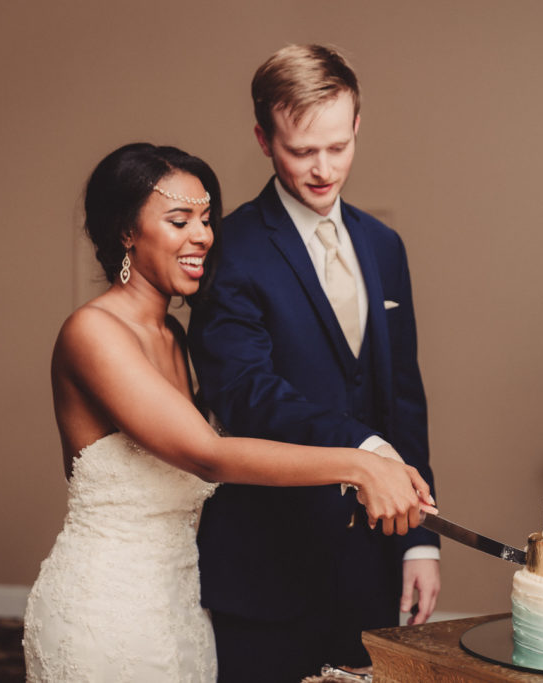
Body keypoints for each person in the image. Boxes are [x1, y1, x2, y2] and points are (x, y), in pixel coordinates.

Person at [22, 143, 433, 682]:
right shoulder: (93, 333)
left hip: (182, 609)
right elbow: (208, 455)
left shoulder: (172, 332)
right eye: (179, 219)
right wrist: (360, 464)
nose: (202, 236)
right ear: (126, 231)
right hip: (107, 614)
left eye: (206, 218)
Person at [188, 45, 440, 681]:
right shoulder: (232, 248)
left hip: (372, 565)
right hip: (267, 565)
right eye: (302, 151)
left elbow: (404, 398)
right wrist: (364, 448)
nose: (324, 168)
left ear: (357, 124)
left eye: (338, 145)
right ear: (264, 140)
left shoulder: (385, 247)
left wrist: (419, 541)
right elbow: (246, 393)